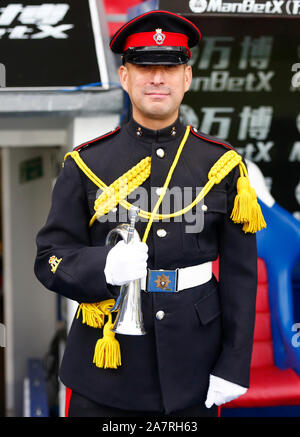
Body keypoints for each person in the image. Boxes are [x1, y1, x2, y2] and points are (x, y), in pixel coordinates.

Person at [34, 10, 265, 417]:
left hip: (196, 367)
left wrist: (234, 363)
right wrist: (103, 266)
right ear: (125, 77)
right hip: (105, 373)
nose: (157, 78)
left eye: (170, 67)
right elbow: (49, 258)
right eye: (144, 66)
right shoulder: (86, 162)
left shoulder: (223, 165)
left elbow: (241, 277)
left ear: (187, 77)